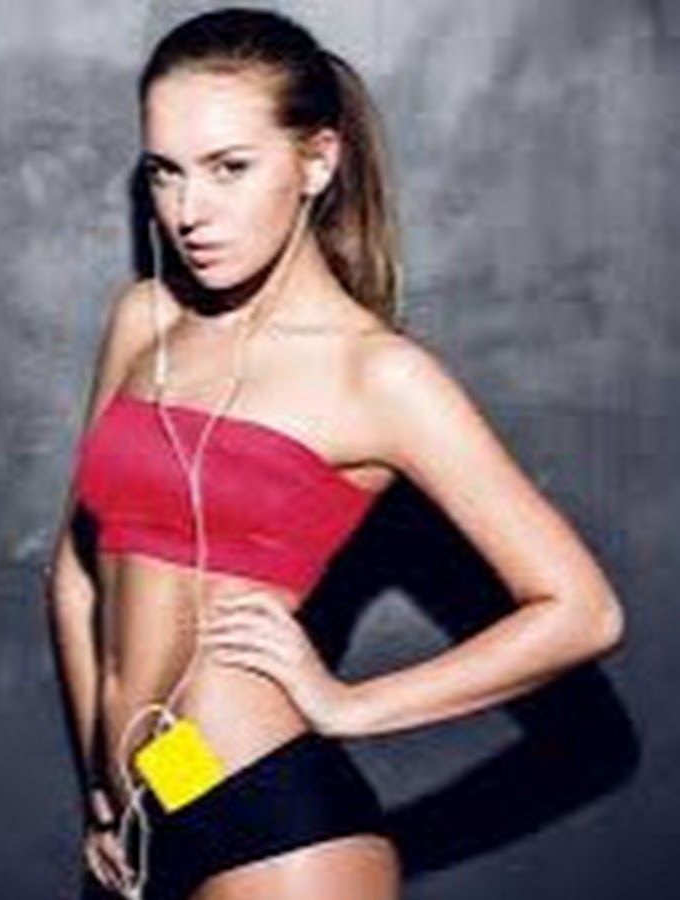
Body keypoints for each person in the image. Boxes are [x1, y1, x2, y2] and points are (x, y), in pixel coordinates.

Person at [44, 8, 626, 899]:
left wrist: (351, 705)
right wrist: (106, 782)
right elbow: (76, 574)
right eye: (166, 172)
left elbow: (583, 613)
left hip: (274, 825)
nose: (190, 211)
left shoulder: (375, 375)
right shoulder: (146, 322)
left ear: (317, 160)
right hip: (154, 801)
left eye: (230, 168)